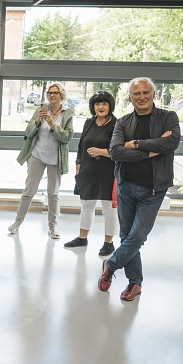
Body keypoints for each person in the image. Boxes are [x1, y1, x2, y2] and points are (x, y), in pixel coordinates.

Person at [98, 77, 180, 301]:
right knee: (126, 236)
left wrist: (135, 144)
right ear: (130, 97)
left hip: (153, 189)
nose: (141, 97)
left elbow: (171, 143)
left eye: (145, 92)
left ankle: (111, 264)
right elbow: (116, 152)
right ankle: (135, 283)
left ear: (153, 94)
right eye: (137, 93)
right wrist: (153, 149)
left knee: (138, 235)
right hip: (126, 186)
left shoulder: (168, 117)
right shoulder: (123, 122)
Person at [8, 82, 74, 239]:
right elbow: (28, 132)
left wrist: (52, 125)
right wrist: (37, 121)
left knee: (53, 194)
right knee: (29, 191)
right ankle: (17, 222)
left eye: (55, 93)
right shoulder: (41, 110)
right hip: (37, 155)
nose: (52, 95)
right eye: (49, 93)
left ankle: (52, 226)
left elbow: (67, 137)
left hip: (55, 158)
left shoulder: (67, 113)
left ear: (61, 95)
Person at [64, 91, 118, 256]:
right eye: (97, 104)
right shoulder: (89, 122)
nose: (101, 107)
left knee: (109, 208)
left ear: (110, 106)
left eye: (104, 103)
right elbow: (82, 145)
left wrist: (101, 151)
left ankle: (108, 243)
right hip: (88, 170)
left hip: (108, 172)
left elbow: (119, 150)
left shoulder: (117, 124)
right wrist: (78, 164)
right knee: (87, 205)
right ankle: (82, 238)